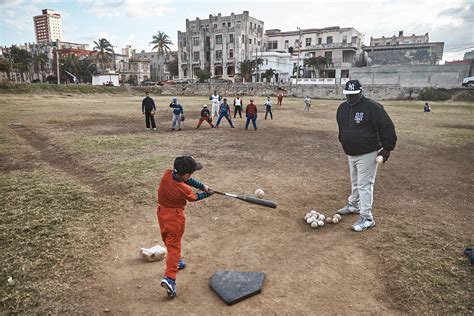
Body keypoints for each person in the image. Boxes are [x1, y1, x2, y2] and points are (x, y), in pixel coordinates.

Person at [336, 80, 397, 232]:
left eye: (353, 95)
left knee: (364, 184)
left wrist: (387, 148)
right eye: (348, 95)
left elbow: (387, 126)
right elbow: (342, 127)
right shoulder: (342, 108)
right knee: (355, 181)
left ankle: (367, 218)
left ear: (360, 92)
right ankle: (354, 205)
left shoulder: (372, 107)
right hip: (351, 152)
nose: (350, 98)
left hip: (368, 152)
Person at [157, 156, 214, 298]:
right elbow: (194, 198)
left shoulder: (167, 174)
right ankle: (170, 278)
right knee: (174, 246)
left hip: (161, 213)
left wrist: (202, 186)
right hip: (175, 218)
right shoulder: (184, 188)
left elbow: (185, 178)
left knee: (168, 240)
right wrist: (207, 194)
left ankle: (175, 261)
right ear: (187, 175)